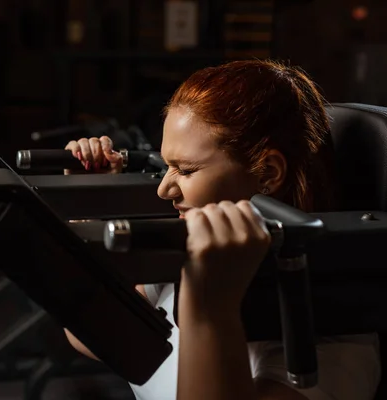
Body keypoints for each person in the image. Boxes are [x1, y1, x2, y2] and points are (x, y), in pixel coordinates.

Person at [63, 60, 381, 400]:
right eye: (168, 167)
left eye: (185, 170)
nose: (164, 190)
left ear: (268, 173)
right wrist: (89, 205)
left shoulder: (333, 346)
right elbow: (95, 336)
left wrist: (210, 312)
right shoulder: (183, 260)